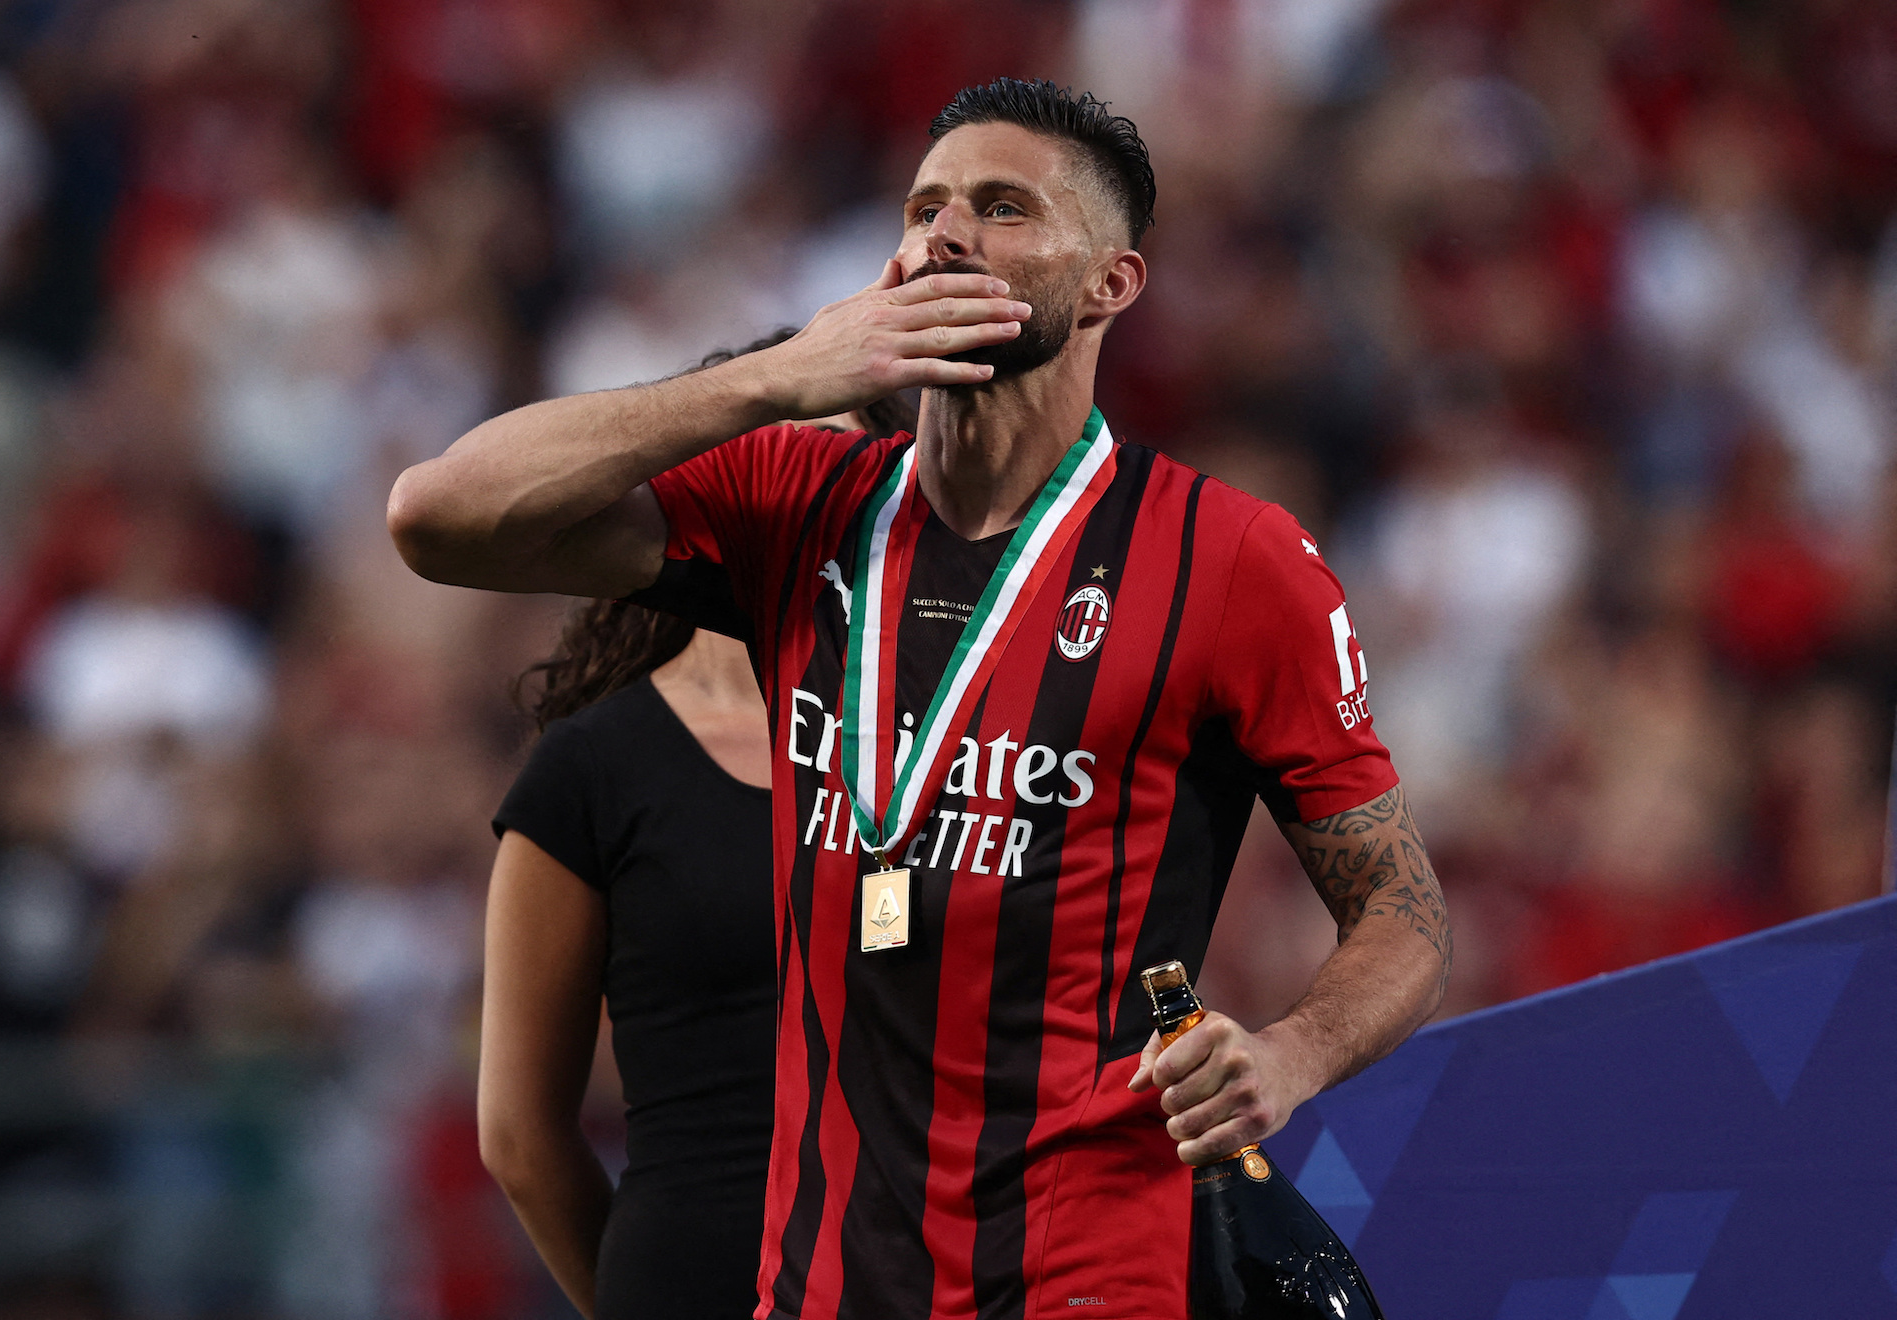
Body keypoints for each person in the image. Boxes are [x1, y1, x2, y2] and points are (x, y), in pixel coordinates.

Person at [393, 78, 1451, 1319]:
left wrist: (1287, 1053)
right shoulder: (800, 500)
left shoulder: (1230, 560)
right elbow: (437, 515)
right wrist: (770, 378)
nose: (944, 234)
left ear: (1108, 285)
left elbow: (1404, 908)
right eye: (924, 208)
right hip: (818, 1285)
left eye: (1002, 211)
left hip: (1087, 1278)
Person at [477, 337, 916, 1320]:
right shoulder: (590, 771)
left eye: (831, 472)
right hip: (694, 1279)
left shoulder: (962, 743)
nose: (798, 501)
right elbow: (520, 1136)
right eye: (768, 464)